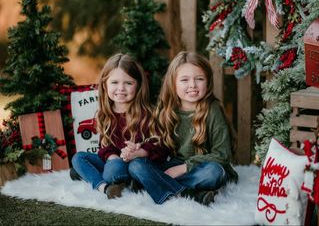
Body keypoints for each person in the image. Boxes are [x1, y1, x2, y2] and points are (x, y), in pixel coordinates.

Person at [128, 51, 238, 206]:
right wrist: (140, 149)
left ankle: (159, 188)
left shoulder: (212, 110)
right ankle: (191, 194)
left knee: (214, 173)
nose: (192, 85)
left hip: (202, 167)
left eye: (199, 79)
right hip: (173, 165)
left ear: (207, 81)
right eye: (184, 80)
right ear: (173, 84)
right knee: (136, 166)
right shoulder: (166, 110)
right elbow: (157, 147)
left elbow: (222, 154)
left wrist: (184, 167)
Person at [71, 53, 166, 199]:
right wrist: (112, 156)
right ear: (105, 84)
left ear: (138, 85)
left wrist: (138, 152)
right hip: (114, 162)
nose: (121, 88)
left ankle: (105, 178)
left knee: (112, 172)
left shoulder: (147, 114)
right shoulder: (105, 114)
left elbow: (160, 148)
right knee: (78, 158)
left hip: (136, 164)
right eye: (114, 83)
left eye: (128, 83)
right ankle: (105, 187)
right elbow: (104, 146)